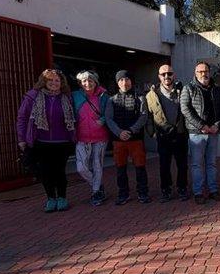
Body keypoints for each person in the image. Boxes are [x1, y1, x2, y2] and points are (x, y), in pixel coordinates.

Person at [16, 69, 76, 213]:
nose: (54, 83)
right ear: (44, 82)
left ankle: (62, 198)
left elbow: (75, 119)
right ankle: (51, 198)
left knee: (60, 171)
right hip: (41, 141)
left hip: (62, 141)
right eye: (51, 80)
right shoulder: (32, 97)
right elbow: (22, 118)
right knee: (45, 172)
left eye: (57, 80)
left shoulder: (67, 97)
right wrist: (22, 139)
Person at [181, 61, 220, 204]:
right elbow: (185, 109)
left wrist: (217, 126)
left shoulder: (217, 89)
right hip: (196, 133)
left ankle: (213, 190)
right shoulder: (188, 88)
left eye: (206, 71)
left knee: (212, 163)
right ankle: (198, 192)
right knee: (197, 164)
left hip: (213, 132)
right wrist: (201, 125)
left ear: (209, 72)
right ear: (195, 73)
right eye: (200, 71)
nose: (204, 74)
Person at [105, 70, 151, 205]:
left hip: (136, 139)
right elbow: (109, 118)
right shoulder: (111, 100)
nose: (124, 83)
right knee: (120, 168)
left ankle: (143, 192)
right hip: (118, 141)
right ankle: (123, 193)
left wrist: (131, 130)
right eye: (121, 80)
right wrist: (119, 132)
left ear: (131, 81)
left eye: (127, 79)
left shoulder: (140, 98)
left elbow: (143, 116)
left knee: (140, 167)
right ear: (117, 82)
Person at [146, 64, 189, 202]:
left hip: (180, 134)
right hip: (163, 135)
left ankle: (182, 188)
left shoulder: (182, 91)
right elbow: (148, 116)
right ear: (159, 76)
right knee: (164, 165)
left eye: (169, 74)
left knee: (182, 164)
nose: (166, 76)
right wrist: (152, 132)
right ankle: (166, 189)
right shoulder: (152, 95)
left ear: (173, 75)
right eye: (163, 74)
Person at [71, 70, 109, 206]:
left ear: (95, 82)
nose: (87, 83)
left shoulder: (103, 96)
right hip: (82, 137)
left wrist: (103, 120)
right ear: (80, 83)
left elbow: (109, 113)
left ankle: (95, 192)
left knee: (97, 165)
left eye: (90, 80)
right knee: (81, 167)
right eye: (84, 81)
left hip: (100, 136)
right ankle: (97, 185)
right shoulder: (74, 96)